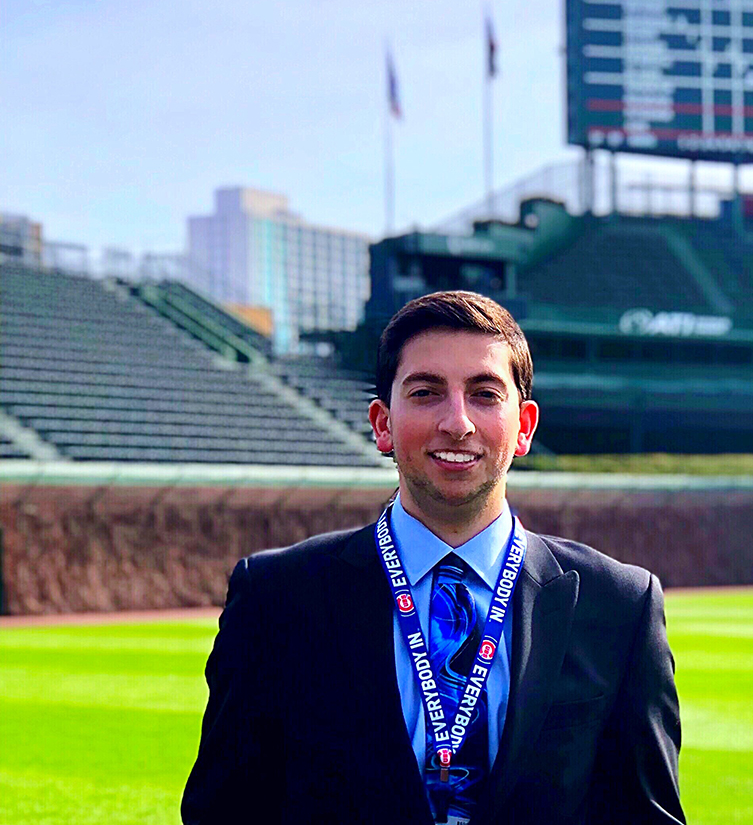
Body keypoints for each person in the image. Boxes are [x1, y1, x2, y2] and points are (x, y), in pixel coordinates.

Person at [182, 290, 685, 825]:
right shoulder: (277, 597)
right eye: (426, 392)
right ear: (382, 424)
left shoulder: (619, 605)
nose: (458, 422)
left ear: (524, 428)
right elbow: (225, 811)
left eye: (485, 394)